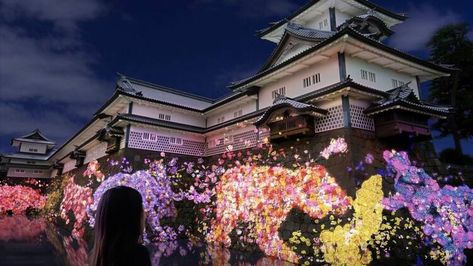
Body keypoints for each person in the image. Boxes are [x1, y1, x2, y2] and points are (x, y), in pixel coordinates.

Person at [90, 186, 151, 266]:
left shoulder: (98, 257)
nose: (145, 214)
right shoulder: (138, 253)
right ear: (132, 218)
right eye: (141, 208)